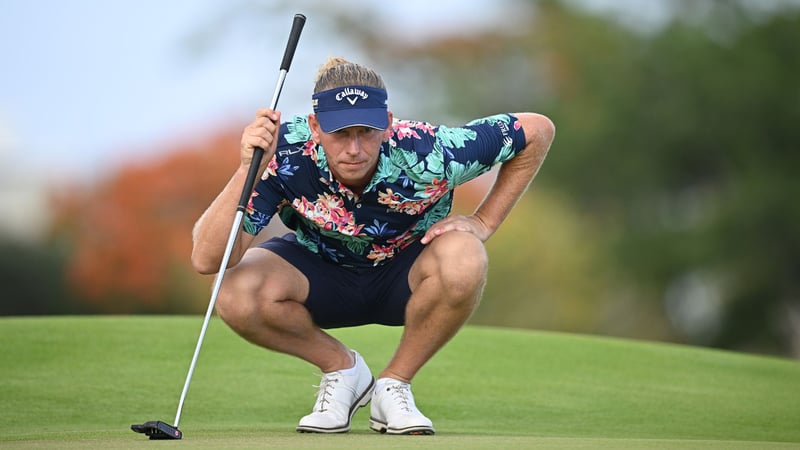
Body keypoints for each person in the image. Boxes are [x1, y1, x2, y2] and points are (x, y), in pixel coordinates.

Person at [191, 57, 555, 435]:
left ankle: (393, 385)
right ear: (315, 126)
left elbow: (537, 130)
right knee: (235, 292)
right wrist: (246, 169)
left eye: (366, 131)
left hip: (407, 273)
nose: (355, 148)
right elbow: (207, 258)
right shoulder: (283, 155)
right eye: (340, 133)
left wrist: (484, 221)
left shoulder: (429, 151)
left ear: (389, 123)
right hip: (319, 272)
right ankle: (344, 371)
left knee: (466, 256)